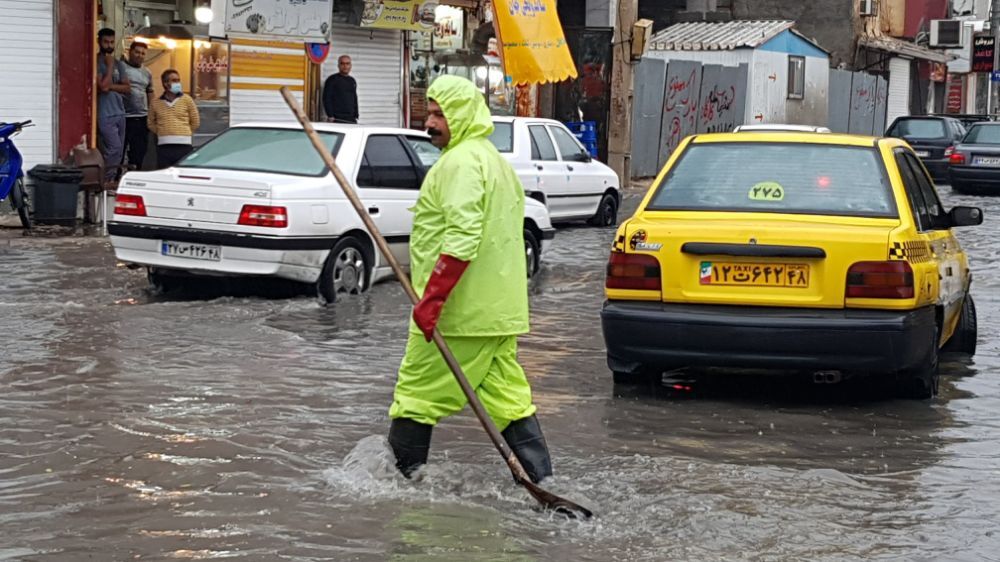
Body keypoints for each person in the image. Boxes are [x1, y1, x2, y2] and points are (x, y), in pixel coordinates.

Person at [387, 75, 553, 484]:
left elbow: (463, 238)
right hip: (497, 312)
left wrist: (434, 300)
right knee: (508, 399)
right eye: (429, 113)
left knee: (415, 396)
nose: (431, 123)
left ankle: (399, 487)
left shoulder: (460, 165)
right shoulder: (492, 160)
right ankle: (541, 482)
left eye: (441, 114)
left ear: (463, 115)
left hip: (460, 314)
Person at [96, 28, 130, 181]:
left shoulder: (119, 64)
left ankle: (110, 180)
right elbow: (102, 87)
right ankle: (103, 180)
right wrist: (109, 66)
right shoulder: (96, 62)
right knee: (113, 148)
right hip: (104, 113)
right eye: (105, 42)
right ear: (99, 42)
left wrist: (110, 86)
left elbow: (127, 88)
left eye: (111, 42)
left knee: (119, 151)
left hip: (120, 112)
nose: (109, 45)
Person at [148, 69, 200, 169]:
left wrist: (184, 132)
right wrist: (162, 131)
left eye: (178, 80)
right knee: (164, 174)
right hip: (164, 146)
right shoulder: (155, 102)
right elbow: (150, 123)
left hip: (184, 145)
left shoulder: (187, 100)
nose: (178, 83)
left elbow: (195, 121)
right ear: (165, 83)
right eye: (174, 80)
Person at [121, 41, 154, 170]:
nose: (140, 55)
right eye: (137, 52)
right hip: (123, 117)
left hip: (141, 118)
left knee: (139, 152)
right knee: (119, 151)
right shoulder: (120, 68)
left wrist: (152, 113)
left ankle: (134, 174)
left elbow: (150, 92)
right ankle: (115, 178)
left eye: (143, 53)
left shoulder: (147, 73)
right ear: (130, 51)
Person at [322, 55, 359, 124]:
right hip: (337, 118)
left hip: (351, 118)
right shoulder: (332, 80)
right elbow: (326, 98)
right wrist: (330, 115)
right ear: (338, 65)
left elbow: (354, 98)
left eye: (347, 64)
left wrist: (356, 115)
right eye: (342, 63)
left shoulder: (352, 80)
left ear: (351, 66)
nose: (345, 66)